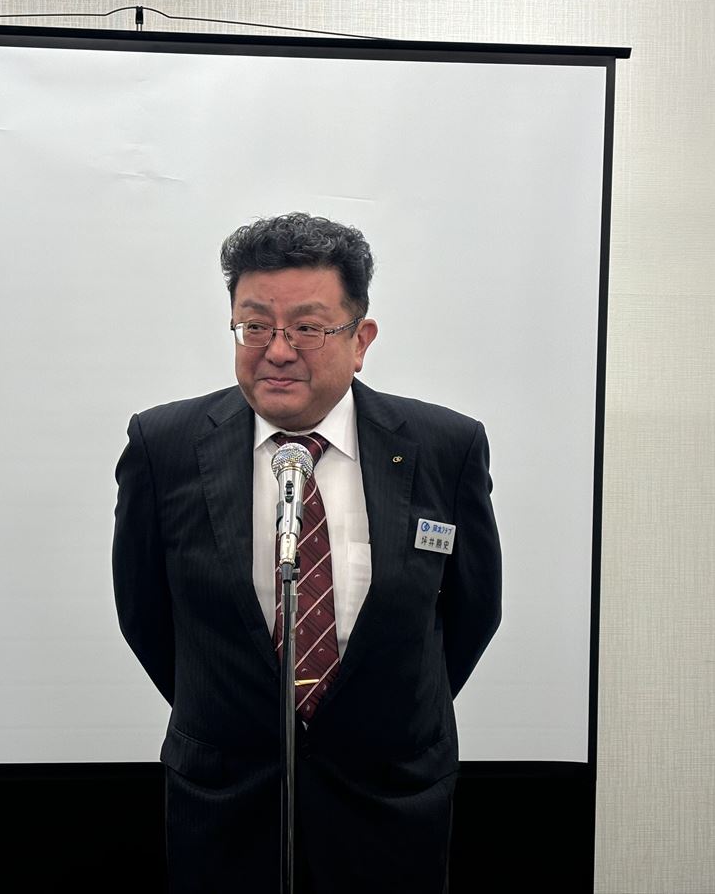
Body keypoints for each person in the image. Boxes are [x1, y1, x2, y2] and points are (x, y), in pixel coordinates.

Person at [112, 212, 501, 893]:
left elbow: (472, 612)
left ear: (360, 340)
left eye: (308, 328)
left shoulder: (445, 447)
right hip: (228, 803)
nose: (278, 350)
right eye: (255, 326)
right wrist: (244, 708)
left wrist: (374, 711)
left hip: (390, 801)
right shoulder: (163, 446)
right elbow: (145, 615)